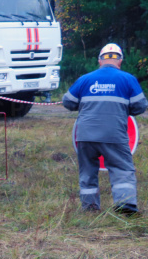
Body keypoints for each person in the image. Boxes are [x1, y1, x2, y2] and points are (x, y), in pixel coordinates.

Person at [63, 43, 147, 214]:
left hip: (85, 135)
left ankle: (90, 209)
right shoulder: (128, 79)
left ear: (100, 61)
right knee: (122, 169)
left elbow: (68, 102)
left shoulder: (85, 79)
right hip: (114, 134)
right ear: (120, 61)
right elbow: (140, 106)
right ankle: (125, 206)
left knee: (87, 173)